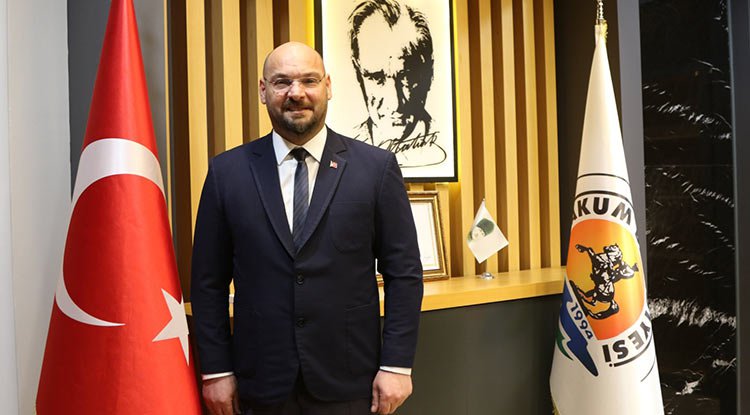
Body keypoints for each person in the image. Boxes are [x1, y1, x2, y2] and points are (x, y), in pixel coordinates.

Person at [190, 41, 423, 415]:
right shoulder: (226, 173)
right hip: (258, 384)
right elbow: (207, 283)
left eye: (309, 81)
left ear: (327, 86)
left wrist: (396, 365)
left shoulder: (376, 169)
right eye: (282, 82)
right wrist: (216, 371)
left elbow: (404, 273)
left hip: (351, 381)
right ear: (263, 91)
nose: (296, 93)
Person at [348, 0, 443, 168]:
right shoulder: (343, 150)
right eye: (376, 78)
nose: (395, 103)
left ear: (429, 73)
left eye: (406, 77)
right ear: (358, 73)